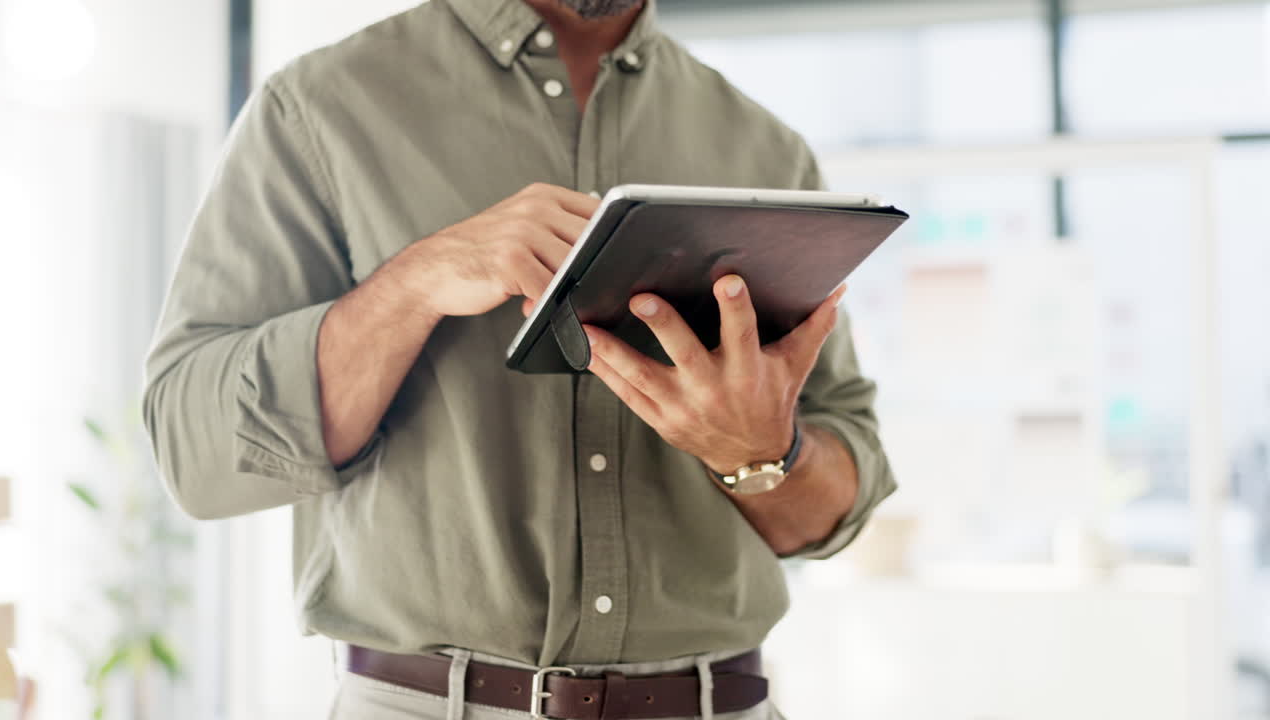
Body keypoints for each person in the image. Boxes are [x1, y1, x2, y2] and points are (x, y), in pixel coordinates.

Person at [141, 0, 896, 717]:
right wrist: (412, 286)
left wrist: (763, 455)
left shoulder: (764, 150)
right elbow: (193, 449)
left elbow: (835, 505)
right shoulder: (318, 110)